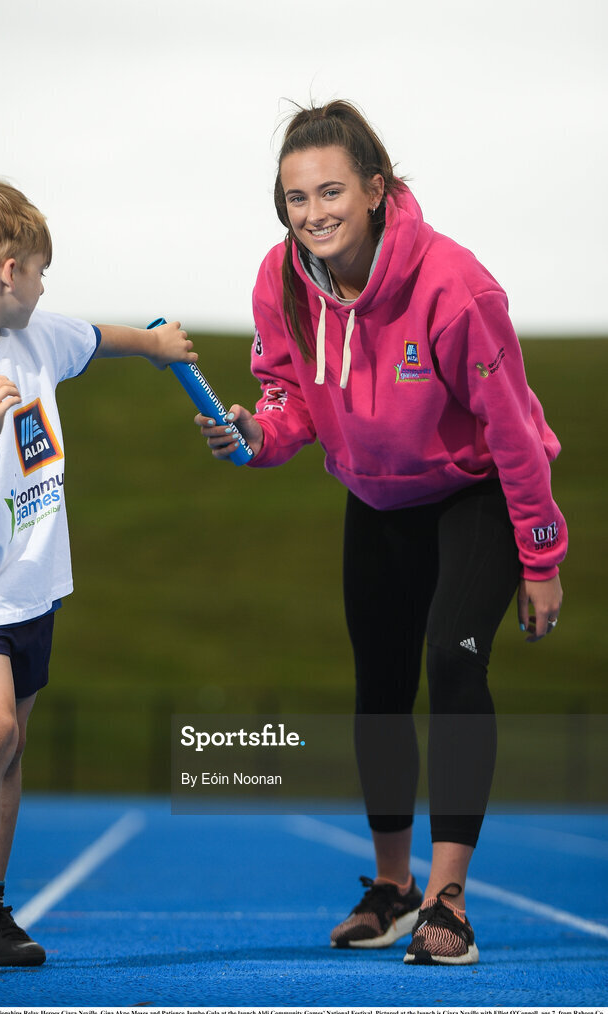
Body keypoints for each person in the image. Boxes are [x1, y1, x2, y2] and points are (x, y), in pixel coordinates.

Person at [196, 101, 565, 965]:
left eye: (331, 192)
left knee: (452, 659)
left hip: (472, 494)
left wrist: (541, 557)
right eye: (296, 198)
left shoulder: (456, 287)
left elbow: (511, 429)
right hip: (375, 496)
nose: (314, 213)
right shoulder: (280, 280)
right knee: (380, 688)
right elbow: (290, 398)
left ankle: (449, 901)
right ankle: (394, 889)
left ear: (375, 189)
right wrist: (258, 434)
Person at [0, 179, 196, 977]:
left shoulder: (35, 339)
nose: (43, 287)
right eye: (38, 272)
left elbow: (101, 337)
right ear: (5, 270)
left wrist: (159, 346)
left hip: (34, 583)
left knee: (15, 741)